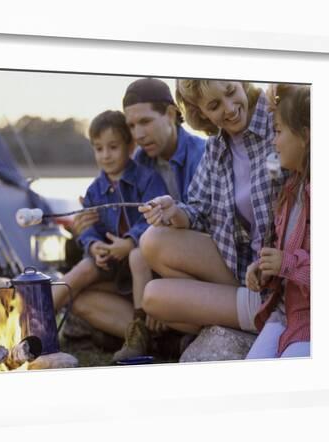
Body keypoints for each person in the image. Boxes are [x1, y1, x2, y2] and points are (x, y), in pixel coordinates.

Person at [71, 78, 206, 361]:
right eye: (132, 126)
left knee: (140, 254)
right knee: (83, 298)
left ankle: (159, 325)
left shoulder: (201, 155)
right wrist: (89, 227)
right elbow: (122, 217)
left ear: (170, 114)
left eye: (145, 121)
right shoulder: (141, 162)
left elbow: (209, 228)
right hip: (146, 266)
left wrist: (160, 283)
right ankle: (154, 337)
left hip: (189, 267)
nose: (139, 134)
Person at [138, 80, 284, 339]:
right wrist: (174, 211)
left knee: (157, 298)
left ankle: (262, 313)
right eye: (214, 105)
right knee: (151, 243)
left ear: (242, 82)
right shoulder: (217, 145)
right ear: (201, 112)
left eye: (231, 92)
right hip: (241, 271)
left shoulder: (277, 116)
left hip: (281, 273)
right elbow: (199, 211)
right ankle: (239, 313)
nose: (229, 109)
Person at [51, 110, 168, 356]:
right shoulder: (95, 189)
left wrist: (129, 242)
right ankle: (38, 321)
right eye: (99, 148)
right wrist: (93, 245)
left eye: (113, 147)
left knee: (137, 256)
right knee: (80, 279)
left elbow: (155, 219)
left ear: (130, 145)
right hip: (112, 267)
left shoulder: (148, 180)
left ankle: (142, 336)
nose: (105, 155)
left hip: (143, 269)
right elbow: (88, 228)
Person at [245, 84, 310, 359]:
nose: (274, 141)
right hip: (284, 315)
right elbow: (282, 253)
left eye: (279, 131)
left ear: (306, 136)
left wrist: (286, 263)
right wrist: (264, 268)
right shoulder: (290, 191)